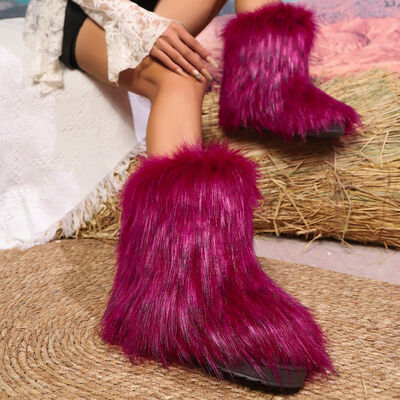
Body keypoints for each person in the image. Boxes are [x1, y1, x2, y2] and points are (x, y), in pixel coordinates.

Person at [23, 0, 336, 392]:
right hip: (85, 9)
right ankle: (181, 293)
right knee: (182, 74)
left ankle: (269, 87)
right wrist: (140, 24)